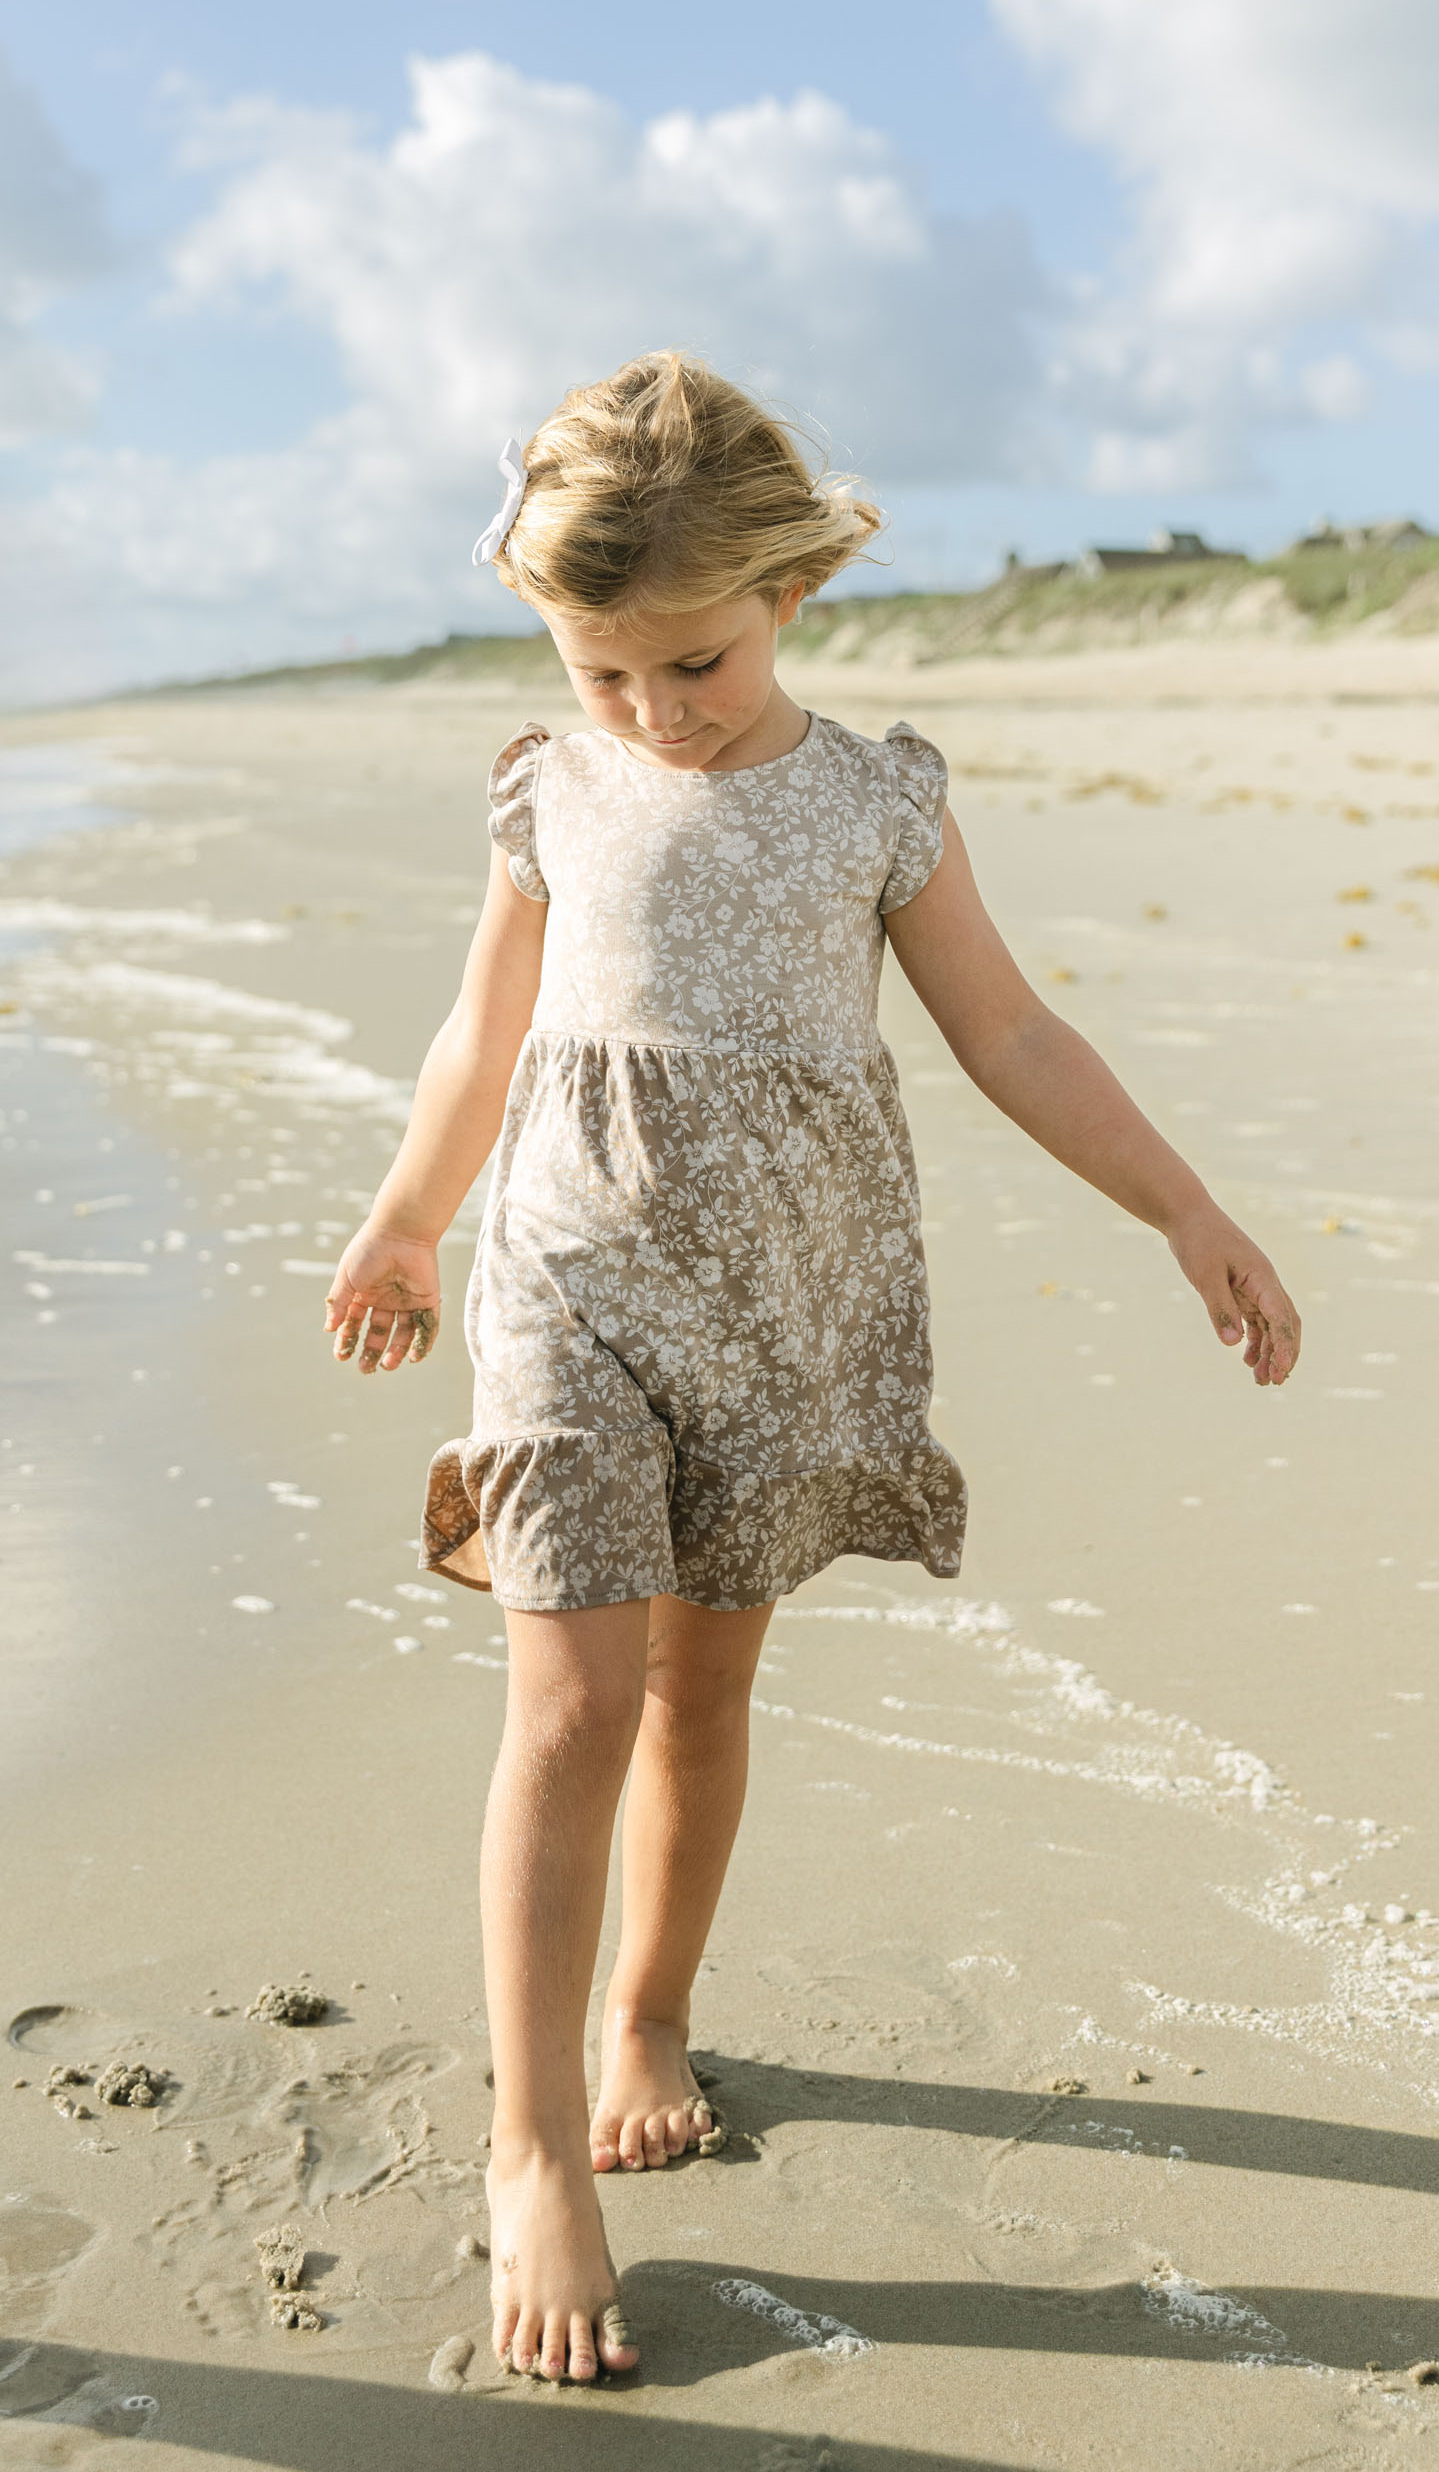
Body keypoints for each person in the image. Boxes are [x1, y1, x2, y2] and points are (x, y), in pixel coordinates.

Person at [324, 350, 1301, 2386]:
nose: (654, 711)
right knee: (572, 1700)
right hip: (568, 1281)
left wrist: (1186, 1208)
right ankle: (532, 2145)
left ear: (789, 588)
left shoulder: (875, 800)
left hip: (784, 1304)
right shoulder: (547, 785)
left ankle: (650, 2009)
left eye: (692, 662)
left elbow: (1012, 1034)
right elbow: (480, 1032)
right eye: (606, 672)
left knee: (699, 1691)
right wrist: (410, 1214)